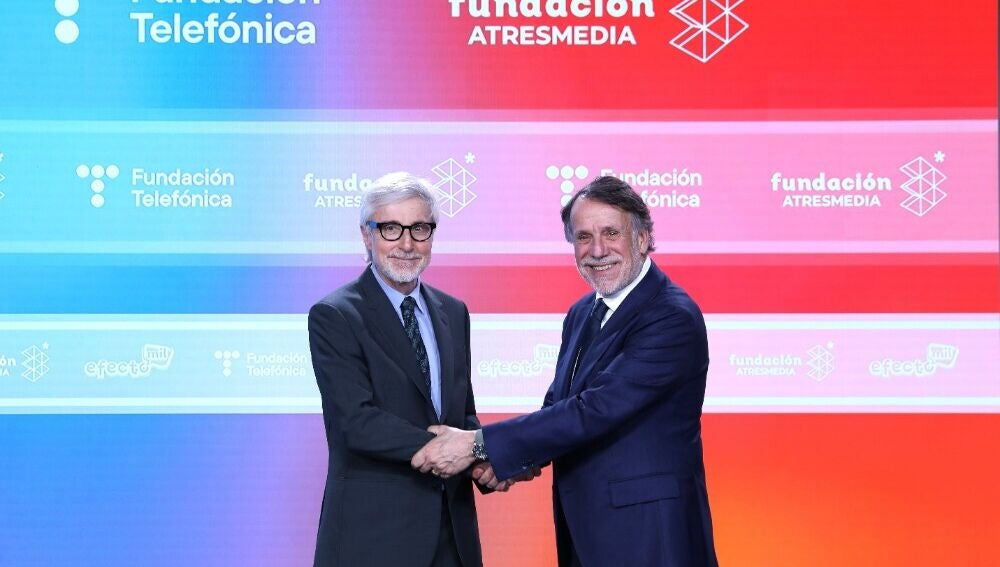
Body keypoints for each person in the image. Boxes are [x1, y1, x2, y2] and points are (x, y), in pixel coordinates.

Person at [412, 176, 719, 566]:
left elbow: (596, 409)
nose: (597, 250)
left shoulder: (671, 316)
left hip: (651, 534)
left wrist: (477, 444)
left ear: (642, 239)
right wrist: (515, 463)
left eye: (611, 233)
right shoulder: (582, 312)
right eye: (583, 237)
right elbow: (560, 404)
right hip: (586, 529)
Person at [308, 172, 488, 567]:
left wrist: (483, 459)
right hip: (374, 539)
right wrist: (448, 448)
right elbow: (355, 420)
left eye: (419, 228)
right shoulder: (335, 315)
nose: (407, 244)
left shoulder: (453, 312)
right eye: (391, 228)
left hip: (453, 539)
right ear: (366, 235)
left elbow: (460, 414)